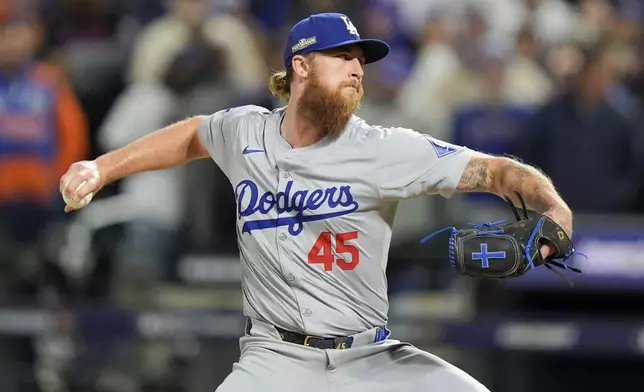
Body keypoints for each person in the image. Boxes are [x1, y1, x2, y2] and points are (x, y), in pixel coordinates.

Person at [59, 12, 572, 392]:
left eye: (361, 60)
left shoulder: (384, 149)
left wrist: (553, 211)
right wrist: (101, 167)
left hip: (370, 358)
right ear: (300, 66)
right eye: (343, 56)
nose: (358, 69)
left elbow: (500, 172)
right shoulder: (245, 132)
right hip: (273, 358)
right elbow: (191, 136)